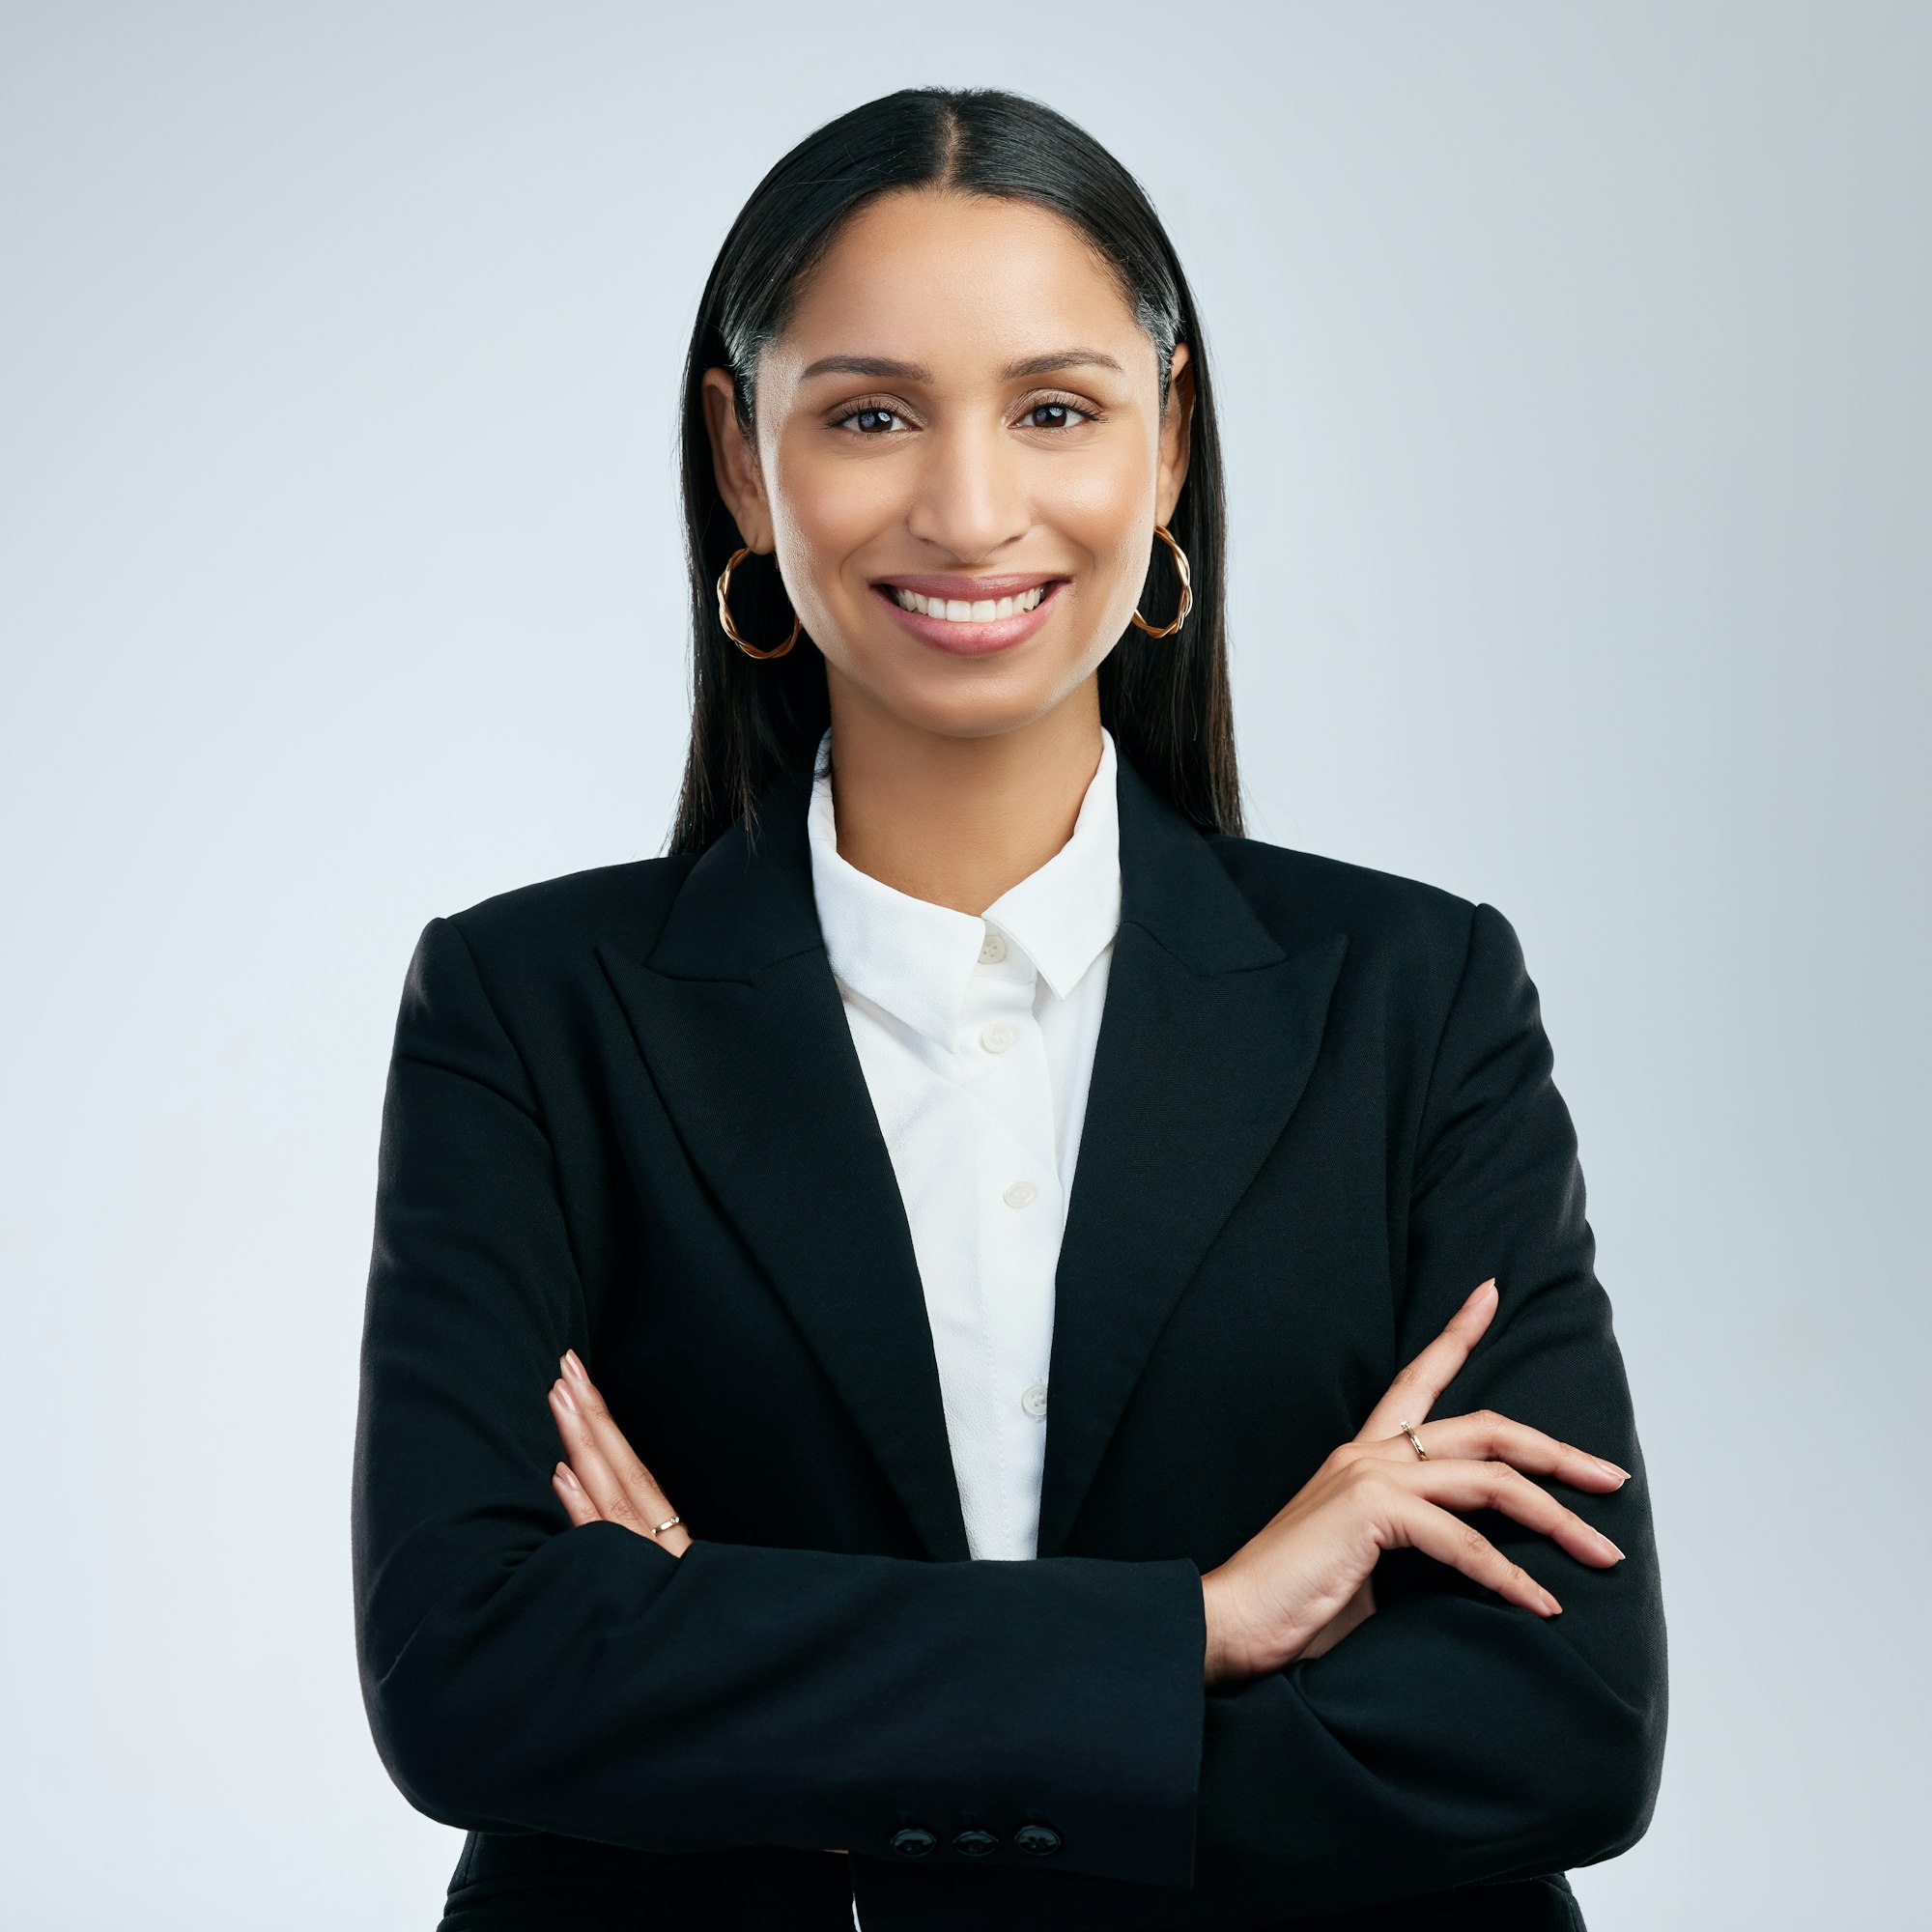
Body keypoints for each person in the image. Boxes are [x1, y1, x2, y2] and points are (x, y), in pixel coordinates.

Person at [351, 85, 1667, 1932]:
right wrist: (1199, 1634)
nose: (971, 513)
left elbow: (1561, 1725)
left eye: (1056, 410)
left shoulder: (1415, 998)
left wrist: (732, 1677)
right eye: (871, 414)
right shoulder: (528, 1007)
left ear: (1168, 439)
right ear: (743, 460)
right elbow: (467, 1680)